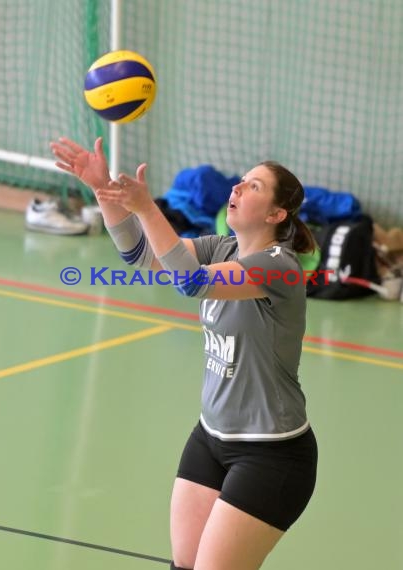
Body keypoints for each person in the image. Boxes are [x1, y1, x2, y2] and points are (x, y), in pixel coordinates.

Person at [50, 136, 318, 570]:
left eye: (253, 186)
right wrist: (103, 188)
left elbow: (190, 282)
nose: (236, 188)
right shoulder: (222, 248)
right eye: (241, 181)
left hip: (272, 453)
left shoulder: (278, 267)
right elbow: (141, 256)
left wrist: (147, 207)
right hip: (209, 438)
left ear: (276, 214)